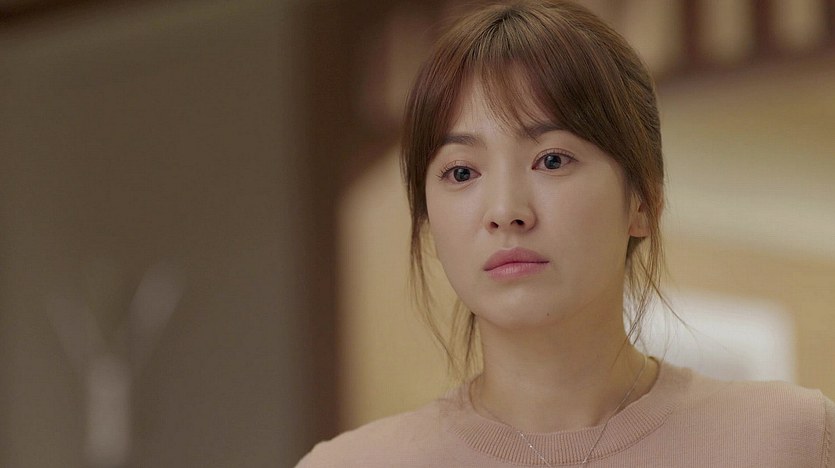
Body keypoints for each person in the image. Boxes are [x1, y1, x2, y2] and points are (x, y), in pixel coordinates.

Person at [297, 1, 834, 466]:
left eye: (552, 160)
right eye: (461, 172)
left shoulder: (789, 441)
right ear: (429, 224)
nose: (505, 211)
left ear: (643, 201)